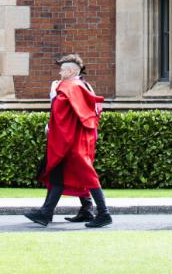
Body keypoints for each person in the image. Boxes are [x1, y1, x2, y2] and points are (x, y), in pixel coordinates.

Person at [25, 54, 110, 228]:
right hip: (82, 137)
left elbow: (59, 111)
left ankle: (103, 213)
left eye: (62, 69)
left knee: (85, 174)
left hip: (72, 139)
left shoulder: (68, 87)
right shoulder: (84, 85)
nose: (59, 72)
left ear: (71, 71)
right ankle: (51, 212)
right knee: (64, 173)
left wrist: (53, 96)